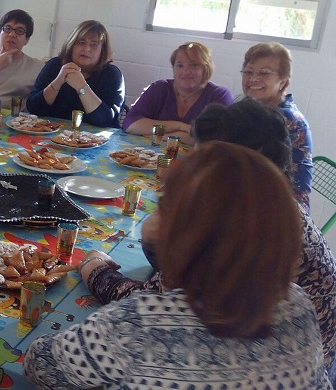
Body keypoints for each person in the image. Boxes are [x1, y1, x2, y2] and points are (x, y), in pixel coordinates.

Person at [26, 141, 332, 389]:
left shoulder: (137, 324)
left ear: (185, 235)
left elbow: (41, 366)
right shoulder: (298, 303)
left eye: (163, 206)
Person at [80, 98, 336, 383]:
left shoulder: (233, 228)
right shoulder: (276, 207)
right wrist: (157, 242)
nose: (192, 167)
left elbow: (149, 308)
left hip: (250, 365)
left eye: (205, 161)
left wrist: (95, 269)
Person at [241, 42, 313, 208]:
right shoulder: (253, 109)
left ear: (283, 82)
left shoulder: (286, 119)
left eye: (265, 73)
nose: (253, 79)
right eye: (248, 72)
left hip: (282, 211)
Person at [122, 42, 232, 143]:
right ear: (173, 69)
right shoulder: (159, 88)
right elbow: (130, 124)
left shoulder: (220, 96)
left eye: (194, 65)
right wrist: (179, 126)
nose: (186, 71)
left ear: (206, 69)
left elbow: (214, 140)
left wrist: (163, 136)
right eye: (179, 65)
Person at [27, 20, 124, 128]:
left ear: (102, 51)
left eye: (94, 45)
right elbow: (33, 109)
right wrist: (58, 81)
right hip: (51, 136)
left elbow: (105, 120)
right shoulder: (55, 65)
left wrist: (81, 87)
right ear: (72, 45)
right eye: (81, 42)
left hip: (96, 141)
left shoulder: (112, 74)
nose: (87, 49)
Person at [0, 9, 45, 107]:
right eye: (7, 29)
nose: (12, 34)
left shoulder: (37, 67)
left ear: (27, 40)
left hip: (13, 119)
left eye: (19, 31)